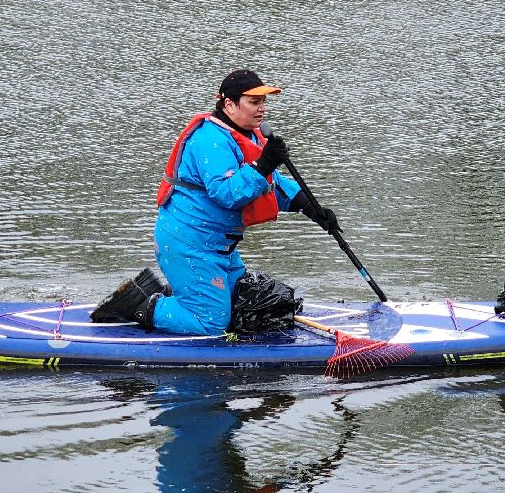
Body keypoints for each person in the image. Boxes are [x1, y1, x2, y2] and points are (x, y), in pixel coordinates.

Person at [92, 69, 339, 335]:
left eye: (263, 102)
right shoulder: (209, 140)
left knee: (240, 306)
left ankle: (166, 293)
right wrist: (264, 163)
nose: (262, 109)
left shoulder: (248, 135)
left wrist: (310, 207)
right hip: (190, 244)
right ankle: (137, 305)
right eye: (254, 102)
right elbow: (227, 193)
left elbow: (269, 183)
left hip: (220, 247)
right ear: (229, 104)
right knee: (212, 322)